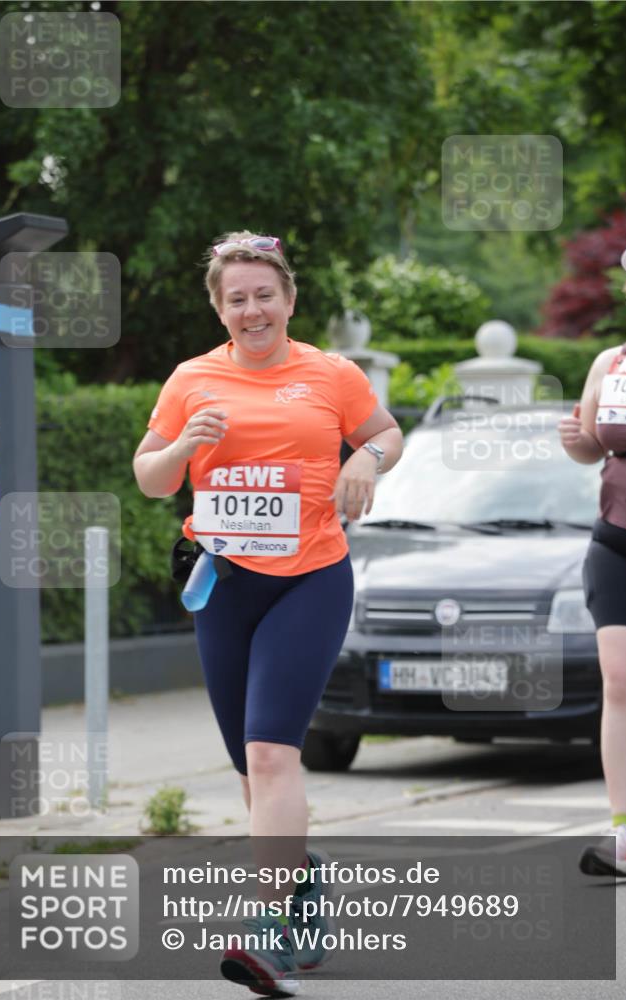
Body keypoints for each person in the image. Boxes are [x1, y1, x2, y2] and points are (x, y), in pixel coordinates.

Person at [133, 231, 403, 993]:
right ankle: (300, 880)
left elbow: (385, 433)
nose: (252, 310)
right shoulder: (191, 378)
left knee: (271, 755)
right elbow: (152, 479)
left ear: (288, 299)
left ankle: (269, 924)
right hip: (223, 584)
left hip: (309, 578)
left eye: (264, 295)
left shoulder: (330, 373)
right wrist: (184, 442)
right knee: (249, 767)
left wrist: (363, 459)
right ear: (219, 309)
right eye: (236, 298)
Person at [557, 241, 626, 878]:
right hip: (616, 540)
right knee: (620, 681)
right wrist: (576, 440)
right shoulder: (611, 362)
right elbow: (592, 447)